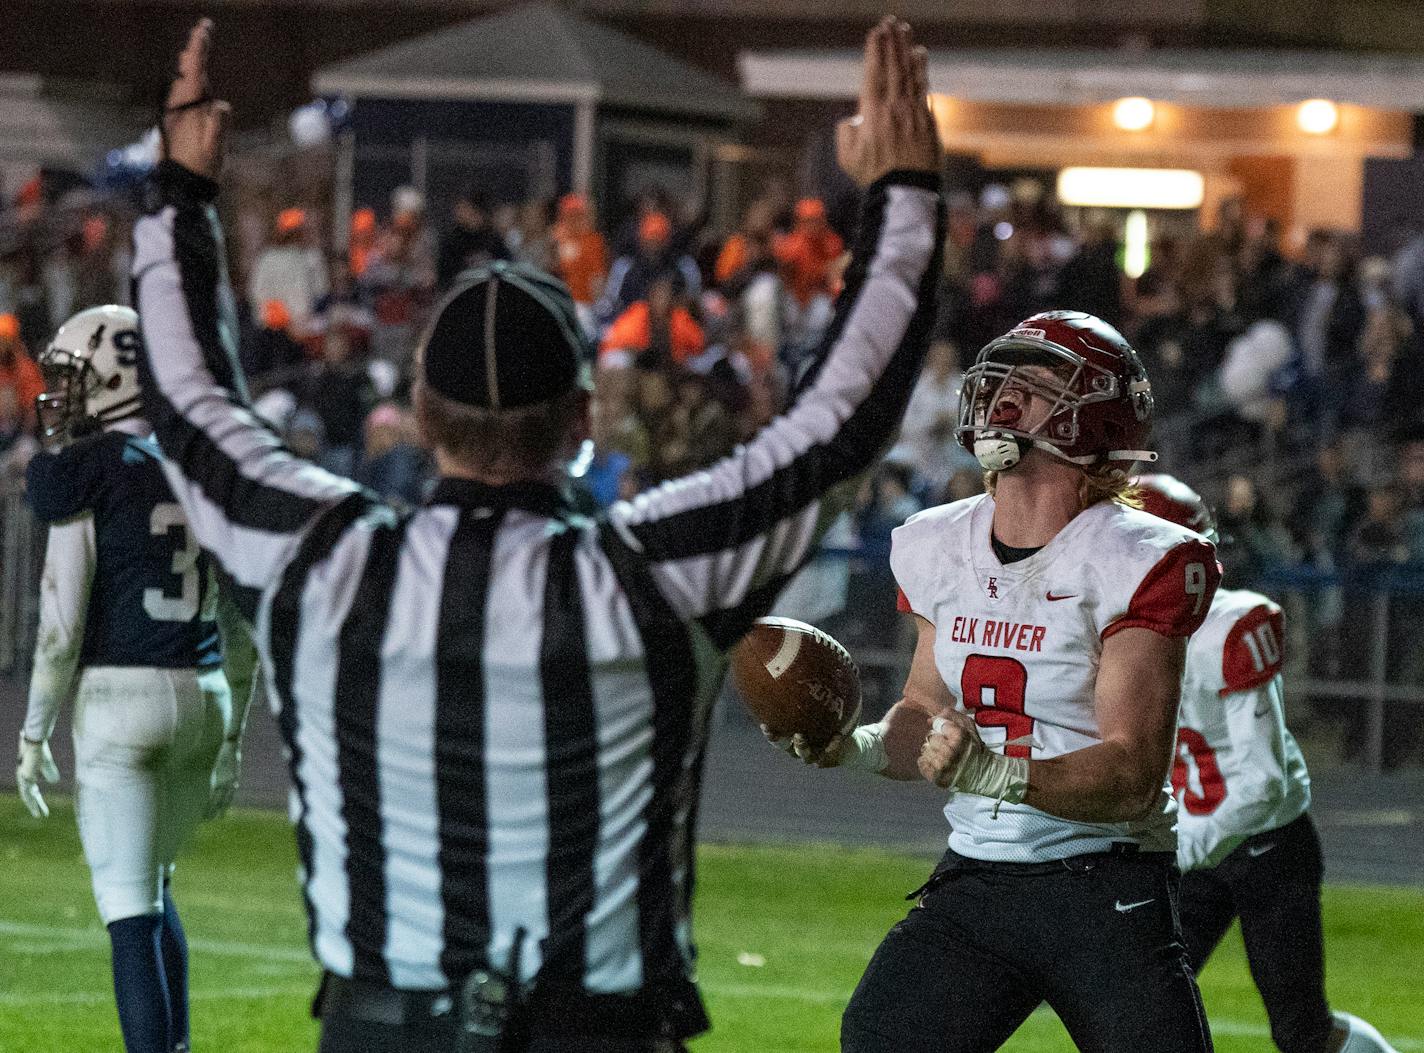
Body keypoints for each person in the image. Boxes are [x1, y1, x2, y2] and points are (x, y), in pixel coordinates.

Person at [140, 18, 940, 1052]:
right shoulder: (649, 574)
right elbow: (841, 420)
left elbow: (185, 395)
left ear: (420, 416)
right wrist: (904, 198)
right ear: (581, 421)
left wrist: (179, 194)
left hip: (383, 1029)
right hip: (593, 1029)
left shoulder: (321, 559)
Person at [781, 310, 1223, 1051]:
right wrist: (847, 746)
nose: (1001, 396)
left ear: (1094, 416)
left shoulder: (1134, 556)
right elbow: (921, 715)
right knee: (882, 1034)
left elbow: (1133, 774)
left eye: (1038, 382)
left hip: (1100, 882)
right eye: (1001, 376)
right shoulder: (938, 541)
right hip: (980, 876)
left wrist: (991, 769)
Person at [16, 305, 256, 1053]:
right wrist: (233, 732)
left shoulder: (85, 473)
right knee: (155, 885)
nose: (60, 395)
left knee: (128, 910)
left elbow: (60, 625)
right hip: (205, 687)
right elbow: (241, 620)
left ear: (112, 378)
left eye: (71, 379)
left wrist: (32, 730)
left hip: (123, 695)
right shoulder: (202, 465)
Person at [1137, 474, 1401, 1053]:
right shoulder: (1116, 637)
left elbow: (1262, 781)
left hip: (1264, 845)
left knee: (1302, 1033)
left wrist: (1179, 846)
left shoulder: (1229, 627)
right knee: (1137, 1013)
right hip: (1197, 839)